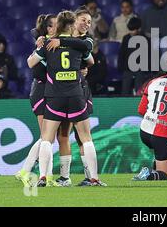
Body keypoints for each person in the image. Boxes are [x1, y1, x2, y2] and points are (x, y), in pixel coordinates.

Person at [27, 11, 106, 187]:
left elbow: (31, 63)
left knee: (47, 138)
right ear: (72, 25)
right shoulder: (80, 45)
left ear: (59, 25)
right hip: (76, 96)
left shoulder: (48, 44)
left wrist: (46, 59)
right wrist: (78, 66)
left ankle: (43, 178)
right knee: (86, 138)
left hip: (55, 96)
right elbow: (91, 60)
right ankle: (94, 178)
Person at [15, 14, 57, 186]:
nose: (55, 28)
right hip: (41, 91)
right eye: (51, 25)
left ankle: (29, 171)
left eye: (57, 25)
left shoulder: (55, 42)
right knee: (47, 137)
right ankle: (42, 175)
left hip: (51, 91)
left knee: (47, 137)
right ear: (46, 29)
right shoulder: (44, 44)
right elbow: (31, 63)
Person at [132, 62, 167, 181]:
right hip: (162, 134)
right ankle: (147, 174)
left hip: (145, 131)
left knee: (166, 161)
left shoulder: (153, 82)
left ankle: (154, 168)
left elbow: (141, 109)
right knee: (164, 175)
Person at [119, 17, 152, 95]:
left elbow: (149, 55)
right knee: (125, 89)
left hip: (141, 69)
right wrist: (121, 67)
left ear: (139, 29)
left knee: (139, 89)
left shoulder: (146, 39)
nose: (131, 32)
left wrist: (147, 69)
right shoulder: (126, 38)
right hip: (127, 68)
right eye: (130, 29)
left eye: (133, 30)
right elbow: (122, 54)